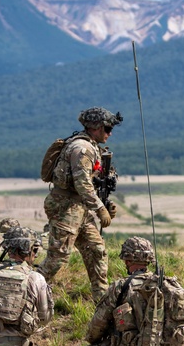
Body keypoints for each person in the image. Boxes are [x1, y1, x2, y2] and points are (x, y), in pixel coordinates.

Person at [38, 107, 122, 301]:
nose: (110, 133)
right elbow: (82, 182)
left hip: (79, 208)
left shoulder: (91, 147)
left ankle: (102, 302)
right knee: (57, 259)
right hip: (65, 207)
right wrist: (100, 209)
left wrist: (104, 204)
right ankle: (25, 292)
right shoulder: (82, 149)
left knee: (97, 251)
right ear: (96, 127)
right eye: (107, 128)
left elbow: (92, 183)